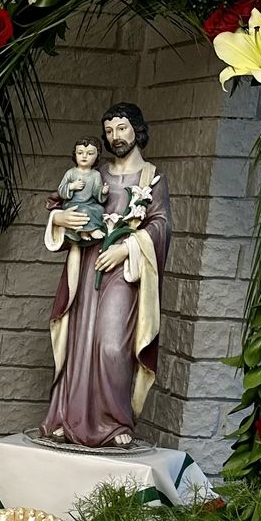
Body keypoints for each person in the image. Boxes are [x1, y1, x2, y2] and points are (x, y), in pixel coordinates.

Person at [41, 101, 169, 448]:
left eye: (122, 128)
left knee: (112, 346)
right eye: (109, 131)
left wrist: (126, 248)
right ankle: (68, 417)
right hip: (87, 264)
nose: (115, 137)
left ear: (137, 130)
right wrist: (59, 219)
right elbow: (61, 203)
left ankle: (114, 421)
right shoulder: (96, 171)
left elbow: (161, 225)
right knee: (80, 342)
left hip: (124, 269)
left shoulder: (151, 178)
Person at [53, 138, 107, 242]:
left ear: (97, 156)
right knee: (83, 211)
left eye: (90, 153)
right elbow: (61, 189)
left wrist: (102, 191)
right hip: (73, 204)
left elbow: (96, 192)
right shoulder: (71, 173)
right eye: (80, 153)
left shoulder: (96, 175)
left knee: (100, 210)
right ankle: (88, 230)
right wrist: (71, 186)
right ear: (75, 154)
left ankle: (85, 230)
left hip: (89, 203)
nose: (84, 156)